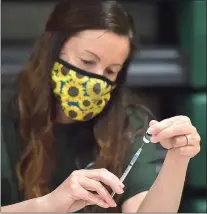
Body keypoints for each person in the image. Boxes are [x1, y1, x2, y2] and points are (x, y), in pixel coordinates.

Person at [1, 0, 201, 213]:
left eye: (111, 71)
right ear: (51, 50)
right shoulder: (6, 112)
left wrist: (178, 159)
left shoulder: (128, 124)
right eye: (87, 62)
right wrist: (47, 206)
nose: (97, 82)